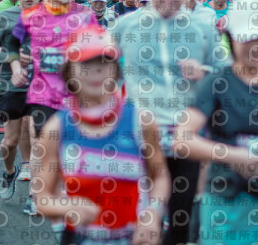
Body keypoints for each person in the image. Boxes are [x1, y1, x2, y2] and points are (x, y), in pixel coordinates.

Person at [173, 0, 258, 244]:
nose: (254, 47)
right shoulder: (216, 83)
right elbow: (182, 139)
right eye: (247, 40)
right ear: (231, 38)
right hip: (226, 205)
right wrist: (235, 155)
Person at [114, 0, 223, 245]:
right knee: (140, 214)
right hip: (139, 133)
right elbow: (98, 66)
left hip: (184, 133)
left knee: (180, 215)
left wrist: (204, 71)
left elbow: (226, 73)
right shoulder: (126, 26)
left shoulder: (201, 28)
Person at [35, 25, 171, 245]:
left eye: (104, 63)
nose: (96, 71)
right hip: (80, 238)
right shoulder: (56, 128)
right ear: (69, 71)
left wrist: (153, 216)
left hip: (134, 238)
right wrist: (67, 207)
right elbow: (42, 198)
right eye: (85, 64)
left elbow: (160, 176)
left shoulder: (141, 121)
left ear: (116, 70)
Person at [7, 0, 98, 217]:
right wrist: (16, 66)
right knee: (42, 144)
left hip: (78, 95)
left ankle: (70, 192)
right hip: (43, 93)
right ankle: (36, 197)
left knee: (73, 145)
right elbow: (13, 43)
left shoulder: (85, 15)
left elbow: (101, 49)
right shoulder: (30, 15)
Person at [0, 0, 41, 201]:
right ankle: (9, 172)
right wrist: (10, 57)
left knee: (38, 136)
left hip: (41, 86)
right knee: (9, 142)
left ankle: (36, 194)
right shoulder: (5, 16)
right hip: (11, 85)